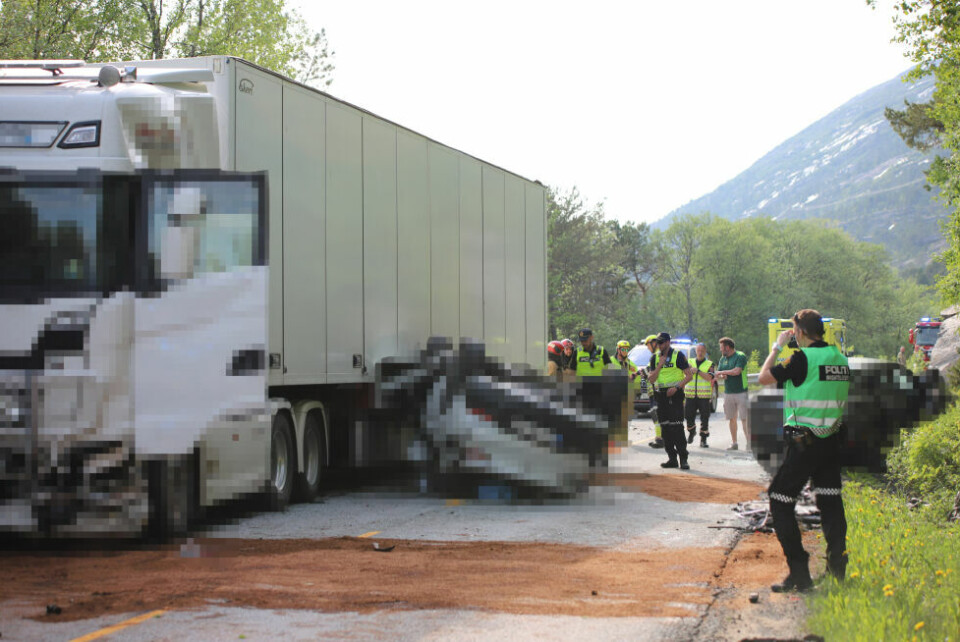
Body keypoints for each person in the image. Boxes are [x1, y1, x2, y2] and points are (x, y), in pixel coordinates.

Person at [758, 309, 850, 592]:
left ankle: (799, 571)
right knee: (831, 503)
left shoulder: (801, 358)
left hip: (803, 443)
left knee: (780, 499)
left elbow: (763, 377)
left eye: (794, 330)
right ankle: (837, 570)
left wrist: (776, 348)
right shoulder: (839, 358)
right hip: (831, 442)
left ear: (798, 332)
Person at [647, 332, 694, 469]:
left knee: (677, 427)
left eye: (661, 342)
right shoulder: (655, 358)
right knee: (665, 428)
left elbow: (689, 375)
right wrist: (659, 366)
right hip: (661, 396)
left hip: (675, 395)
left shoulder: (678, 356)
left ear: (668, 342)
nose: (659, 345)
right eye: (658, 343)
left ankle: (683, 459)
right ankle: (672, 458)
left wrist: (677, 387)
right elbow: (651, 379)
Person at [716, 337, 749, 451]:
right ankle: (734, 442)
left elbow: (737, 371)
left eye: (721, 348)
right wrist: (722, 375)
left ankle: (749, 443)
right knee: (732, 419)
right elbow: (719, 374)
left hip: (741, 392)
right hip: (728, 392)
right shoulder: (722, 359)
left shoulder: (740, 356)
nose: (721, 350)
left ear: (727, 347)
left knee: (744, 418)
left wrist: (722, 372)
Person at [685, 343, 715, 448]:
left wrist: (698, 371)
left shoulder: (710, 364)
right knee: (688, 416)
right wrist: (689, 370)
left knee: (705, 418)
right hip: (690, 395)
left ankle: (703, 439)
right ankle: (691, 431)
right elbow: (683, 373)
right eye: (698, 350)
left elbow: (709, 378)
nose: (700, 352)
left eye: (702, 350)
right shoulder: (689, 362)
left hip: (704, 396)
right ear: (696, 351)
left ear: (705, 351)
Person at [640, 334, 665, 448]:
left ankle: (660, 439)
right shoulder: (657, 356)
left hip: (656, 391)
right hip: (654, 391)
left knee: (657, 415)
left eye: (648, 345)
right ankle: (660, 438)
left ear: (653, 343)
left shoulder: (657, 356)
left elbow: (650, 371)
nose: (648, 348)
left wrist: (642, 373)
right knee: (657, 415)